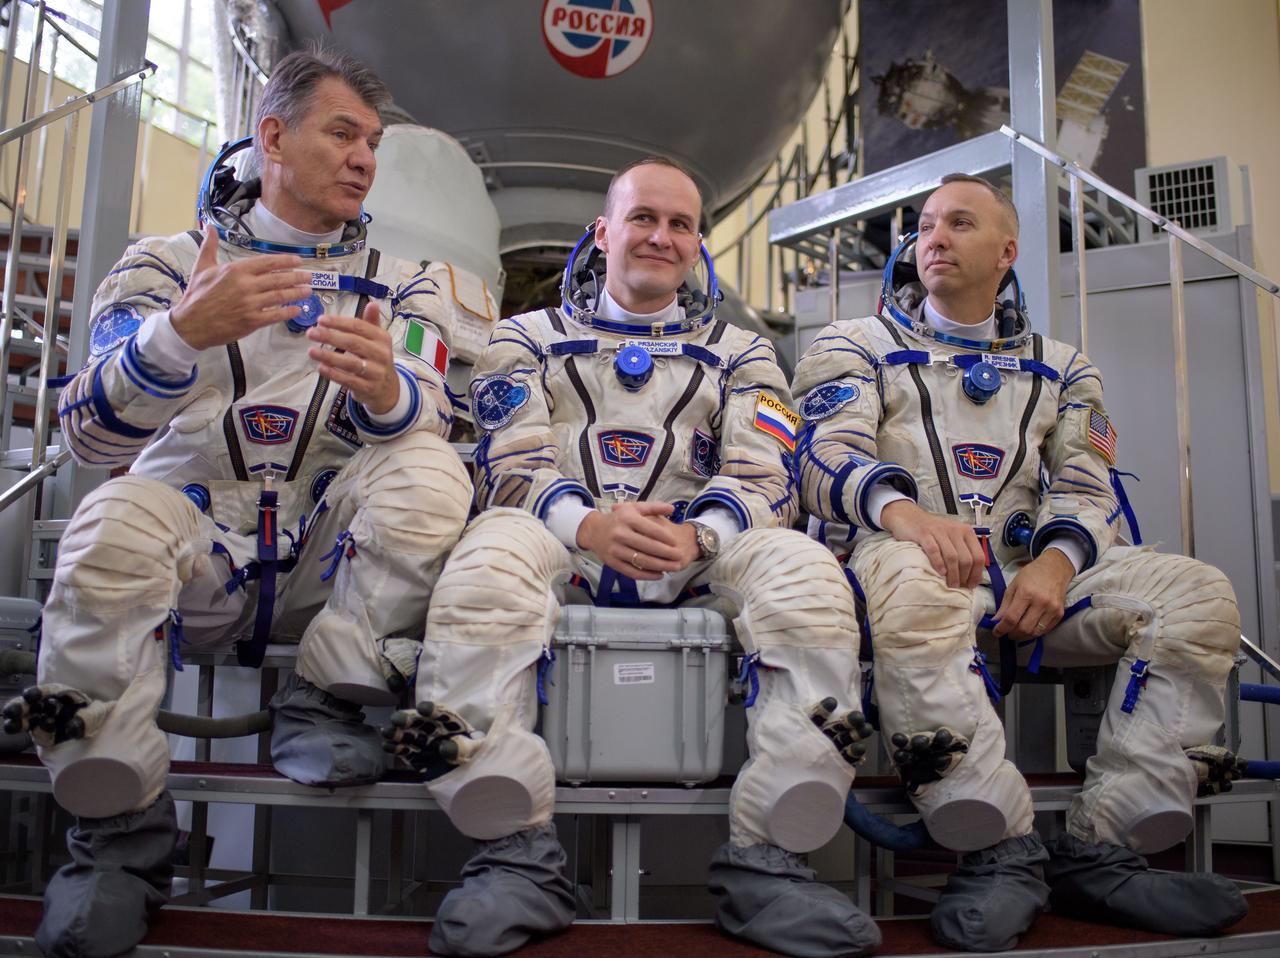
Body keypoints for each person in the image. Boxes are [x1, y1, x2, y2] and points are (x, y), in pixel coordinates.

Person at [1, 48, 472, 958]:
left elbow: (433, 410)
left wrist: (385, 390)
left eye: (372, 141)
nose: (364, 157)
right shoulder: (166, 266)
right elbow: (88, 438)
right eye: (342, 133)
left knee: (431, 469)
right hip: (194, 550)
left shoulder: (405, 281)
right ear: (272, 137)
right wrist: (178, 337)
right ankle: (117, 837)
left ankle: (329, 695)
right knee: (109, 516)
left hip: (326, 564)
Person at [382, 156, 879, 958]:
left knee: (806, 573)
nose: (661, 236)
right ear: (604, 232)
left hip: (698, 550)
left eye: (681, 224)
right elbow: (513, 466)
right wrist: (590, 528)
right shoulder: (526, 338)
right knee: (487, 558)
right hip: (563, 539)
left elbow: (765, 473)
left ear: (697, 246)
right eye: (643, 217)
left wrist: (701, 534)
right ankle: (516, 853)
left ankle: (771, 857)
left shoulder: (743, 354)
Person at [791, 173, 1248, 951]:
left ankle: (1102, 850)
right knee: (915, 589)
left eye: (959, 223)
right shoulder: (852, 346)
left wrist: (1058, 565)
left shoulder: (1063, 366)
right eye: (927, 224)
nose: (933, 236)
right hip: (904, 558)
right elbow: (823, 457)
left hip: (1031, 575)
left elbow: (1084, 483)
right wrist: (910, 517)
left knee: (1196, 598)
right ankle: (996, 846)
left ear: (1007, 251)